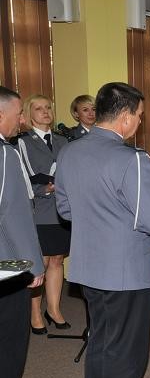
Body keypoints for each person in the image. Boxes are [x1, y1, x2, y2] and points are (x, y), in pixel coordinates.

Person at [55, 82, 150, 378]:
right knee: (127, 350)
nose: (139, 123)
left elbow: (65, 209)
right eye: (138, 116)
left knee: (102, 342)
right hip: (127, 270)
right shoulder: (132, 158)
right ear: (124, 118)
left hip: (88, 267)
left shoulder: (70, 153)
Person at [0, 85, 48, 378]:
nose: (21, 119)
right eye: (17, 113)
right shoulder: (4, 154)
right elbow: (15, 216)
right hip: (5, 263)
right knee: (10, 337)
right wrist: (32, 265)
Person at [16, 95, 71, 333]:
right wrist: (45, 189)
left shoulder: (63, 140)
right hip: (38, 211)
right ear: (28, 115)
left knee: (57, 260)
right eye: (38, 108)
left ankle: (54, 308)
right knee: (41, 262)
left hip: (61, 210)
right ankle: (35, 312)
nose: (45, 112)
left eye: (48, 107)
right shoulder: (22, 142)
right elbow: (24, 176)